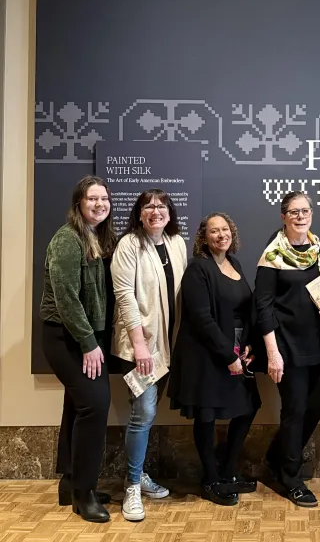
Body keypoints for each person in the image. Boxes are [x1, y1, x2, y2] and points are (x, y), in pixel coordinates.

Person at [168, 213, 261, 506]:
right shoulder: (198, 268)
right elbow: (201, 319)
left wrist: (247, 346)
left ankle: (228, 471)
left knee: (248, 406)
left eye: (225, 229)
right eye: (214, 231)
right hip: (206, 355)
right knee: (206, 415)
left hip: (236, 350)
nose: (221, 235)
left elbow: (244, 311)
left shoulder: (235, 264)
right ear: (203, 237)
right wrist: (227, 355)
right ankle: (209, 480)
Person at [40, 175, 117, 523]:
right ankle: (84, 495)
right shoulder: (67, 239)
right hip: (66, 337)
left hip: (87, 336)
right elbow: (66, 297)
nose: (99, 204)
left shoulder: (95, 237)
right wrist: (88, 343)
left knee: (77, 405)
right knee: (94, 406)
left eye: (104, 199)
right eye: (92, 198)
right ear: (78, 204)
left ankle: (71, 483)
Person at [255, 191, 320, 508]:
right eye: (294, 212)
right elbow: (263, 308)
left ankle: (277, 455)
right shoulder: (272, 256)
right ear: (283, 216)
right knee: (294, 410)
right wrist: (273, 353)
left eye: (305, 211)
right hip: (287, 347)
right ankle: (290, 478)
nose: (301, 216)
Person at [111, 189, 187, 521]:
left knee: (149, 413)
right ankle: (131, 485)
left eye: (161, 206)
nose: (156, 211)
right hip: (140, 348)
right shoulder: (130, 244)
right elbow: (124, 295)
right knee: (142, 413)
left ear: (170, 212)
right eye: (148, 206)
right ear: (139, 213)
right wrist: (140, 344)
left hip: (169, 346)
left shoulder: (177, 243)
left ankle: (139, 474)